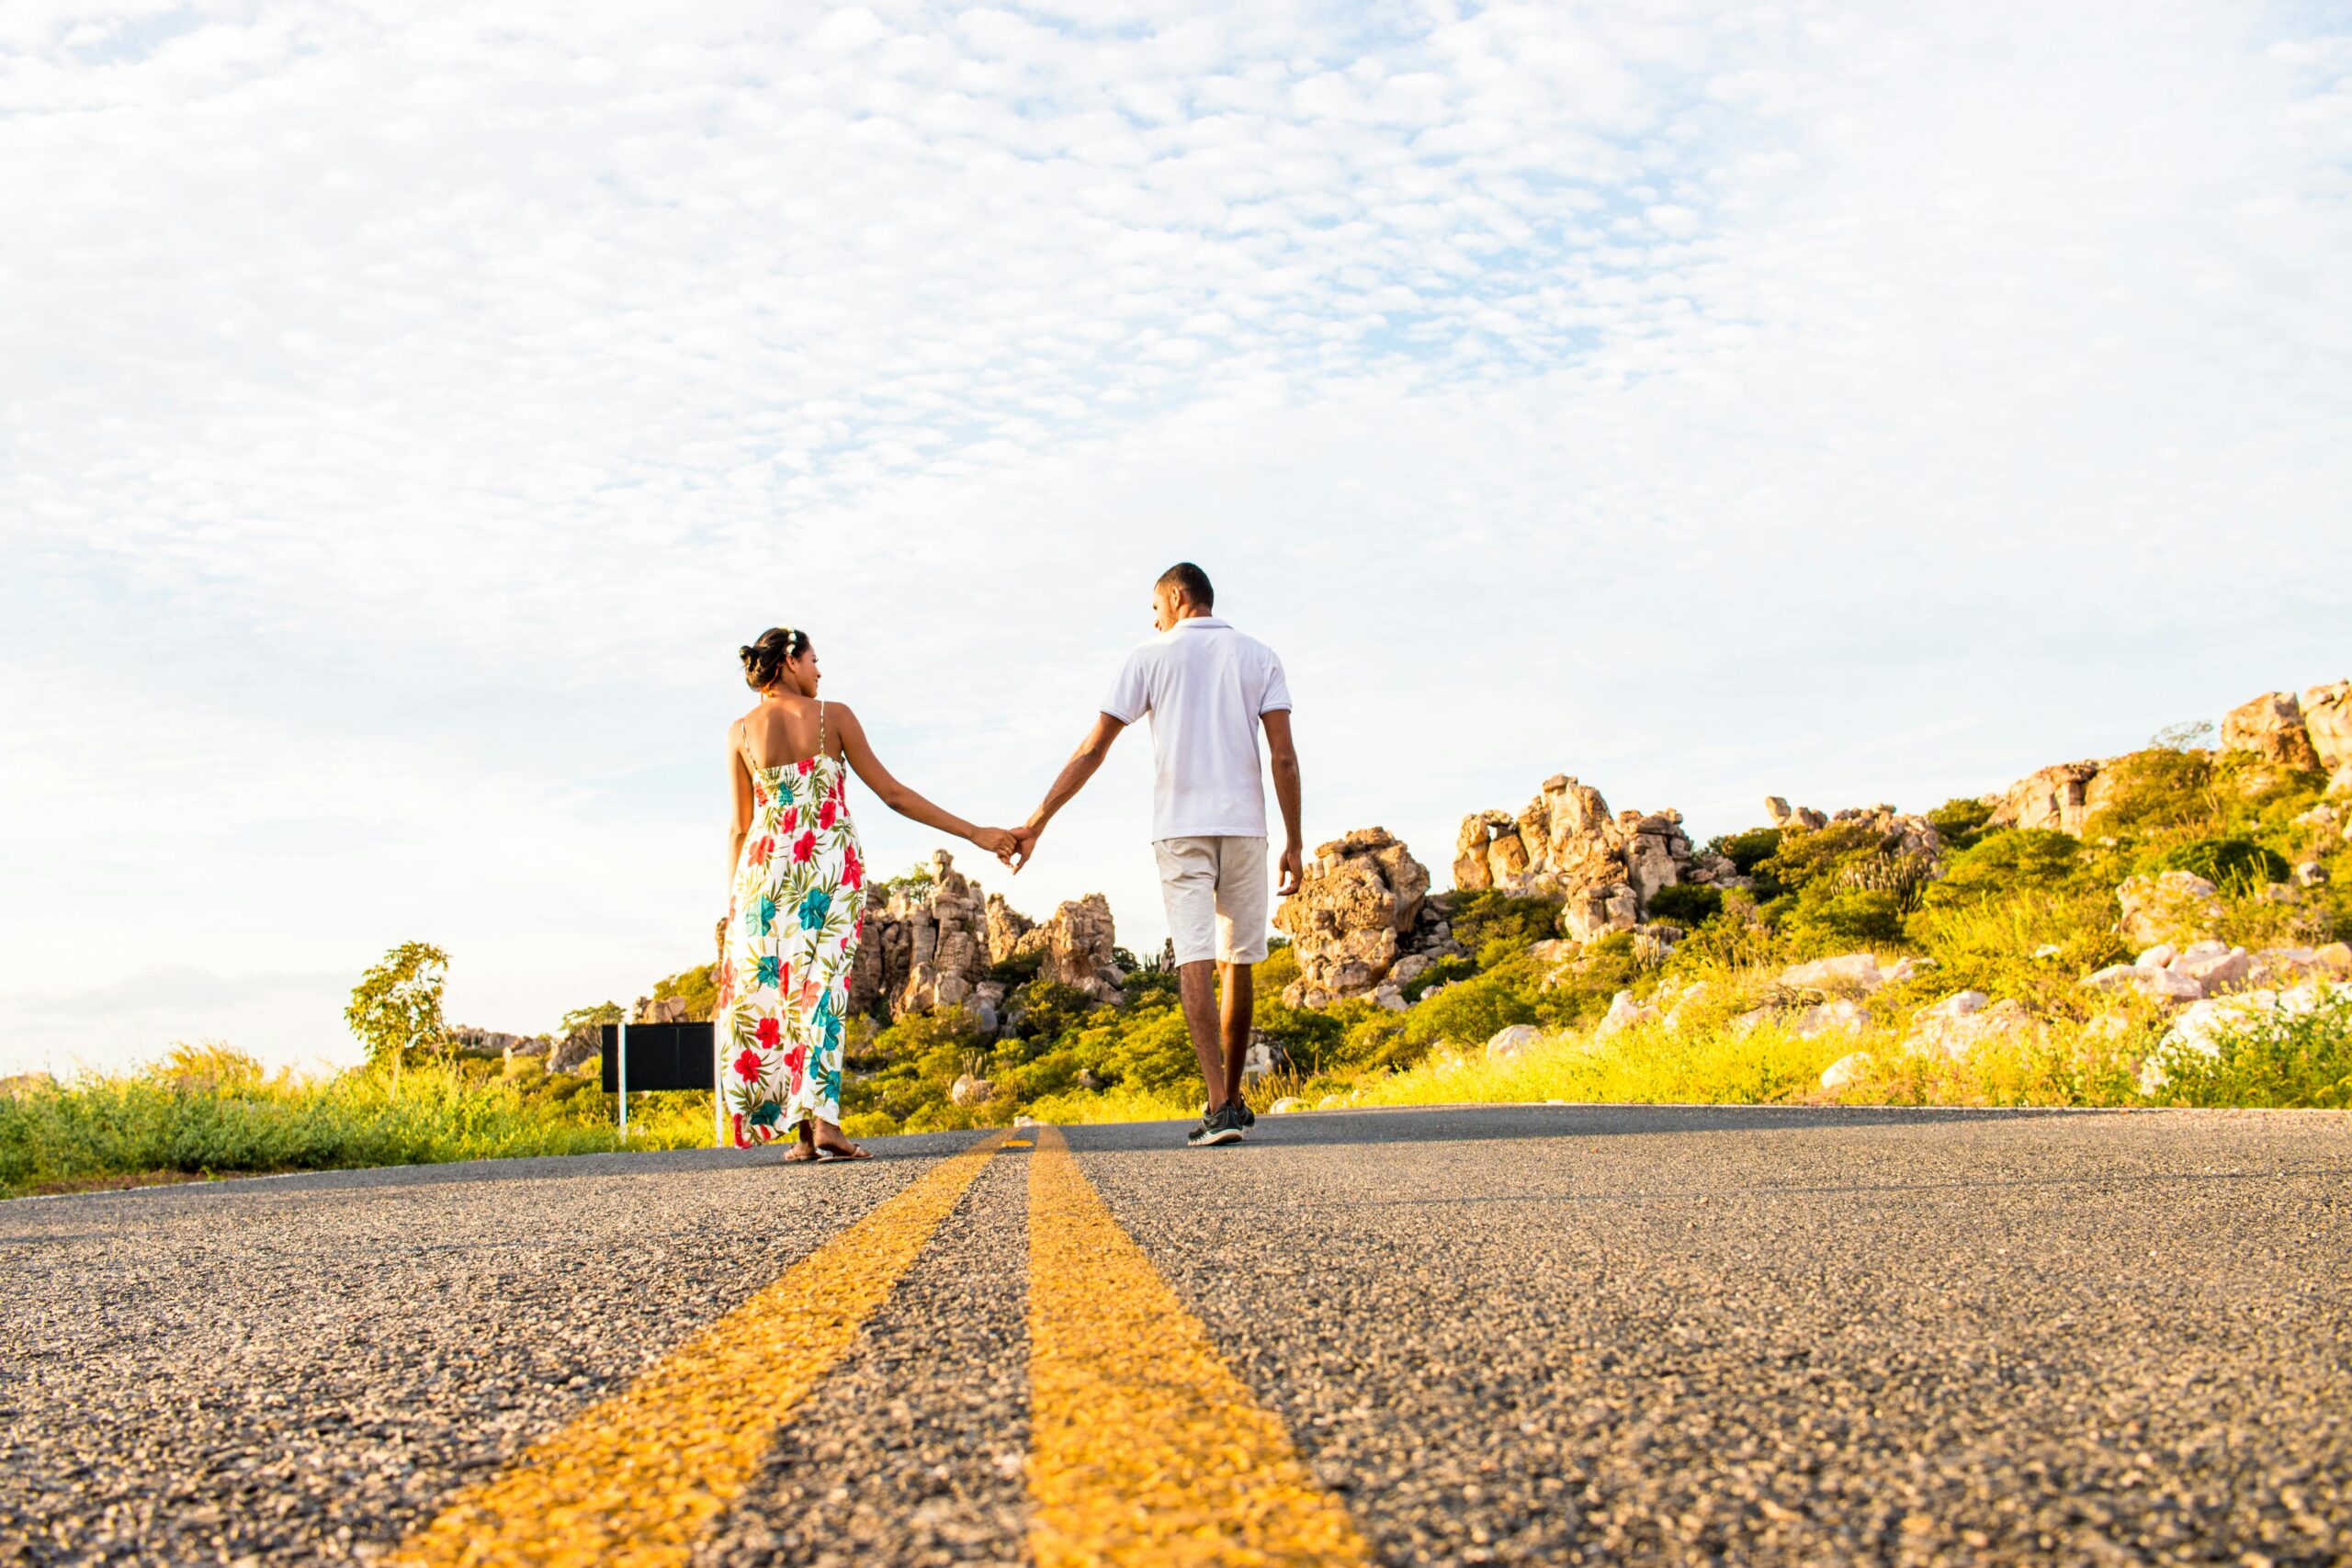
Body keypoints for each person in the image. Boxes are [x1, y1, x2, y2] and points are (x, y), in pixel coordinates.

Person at [1008, 563, 1302, 1147]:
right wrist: (1295, 839)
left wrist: (1037, 819)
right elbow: (1284, 758)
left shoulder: (1149, 657)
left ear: (1175, 596)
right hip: (1246, 825)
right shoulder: (1260, 656)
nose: (1154, 618)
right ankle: (1235, 1102)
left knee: (1193, 955)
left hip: (1180, 827)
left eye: (1155, 607)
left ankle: (1219, 1104)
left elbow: (1093, 749)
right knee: (1237, 958)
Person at [718, 626, 1018, 1162]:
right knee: (823, 992)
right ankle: (825, 1125)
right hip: (827, 868)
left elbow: (740, 828)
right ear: (789, 661)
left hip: (762, 877)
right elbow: (895, 795)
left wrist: (734, 906)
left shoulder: (739, 732)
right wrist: (974, 832)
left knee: (781, 997)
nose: (819, 671)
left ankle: (805, 1135)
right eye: (814, 660)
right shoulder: (832, 716)